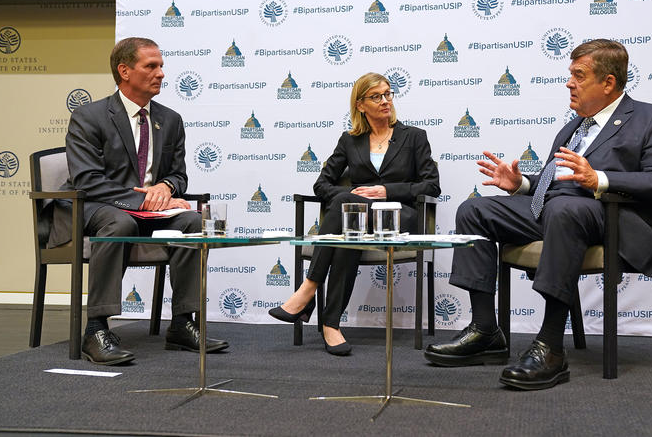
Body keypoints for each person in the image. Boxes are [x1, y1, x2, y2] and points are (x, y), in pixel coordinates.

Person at [424, 39, 652, 390]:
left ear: (608, 83)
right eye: (570, 74)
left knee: (565, 210)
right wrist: (521, 184)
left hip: (614, 217)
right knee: (475, 210)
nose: (569, 83)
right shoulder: (574, 125)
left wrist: (600, 179)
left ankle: (550, 346)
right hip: (558, 208)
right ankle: (486, 330)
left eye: (578, 75)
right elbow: (558, 183)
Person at [48, 37, 228, 365]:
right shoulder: (89, 117)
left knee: (191, 221)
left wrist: (164, 187)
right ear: (125, 71)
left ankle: (183, 323)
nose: (160, 73)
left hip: (148, 213)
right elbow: (88, 180)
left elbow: (179, 176)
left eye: (161, 66)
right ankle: (96, 329)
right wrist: (141, 201)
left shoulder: (170, 119)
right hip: (97, 207)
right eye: (151, 66)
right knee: (120, 220)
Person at [269, 72, 440, 355]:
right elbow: (321, 185)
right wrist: (354, 195)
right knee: (349, 229)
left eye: (388, 94)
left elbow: (431, 185)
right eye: (376, 96)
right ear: (361, 105)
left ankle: (308, 290)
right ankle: (331, 325)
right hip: (358, 223)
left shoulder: (414, 137)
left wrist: (385, 191)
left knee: (348, 211)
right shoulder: (350, 141)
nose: (385, 101)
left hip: (400, 218)